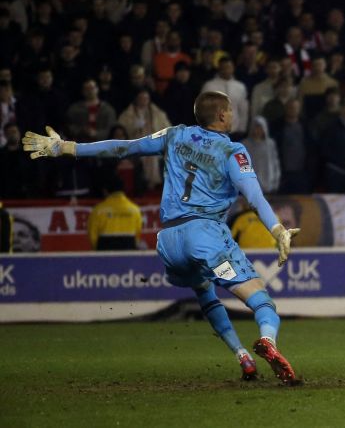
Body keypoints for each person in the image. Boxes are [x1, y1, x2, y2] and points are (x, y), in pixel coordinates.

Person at [21, 91, 302, 384]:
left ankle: (242, 356)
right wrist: (278, 230)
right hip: (205, 235)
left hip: (168, 240)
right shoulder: (233, 151)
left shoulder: (174, 135)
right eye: (230, 111)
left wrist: (66, 147)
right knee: (262, 303)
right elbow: (254, 196)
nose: (233, 116)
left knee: (204, 291)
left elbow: (125, 148)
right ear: (221, 115)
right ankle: (268, 341)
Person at [87, 176, 143, 250]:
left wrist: (98, 251)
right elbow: (137, 235)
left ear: (105, 191)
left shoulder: (98, 210)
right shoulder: (135, 210)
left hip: (104, 254)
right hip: (128, 253)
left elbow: (92, 236)